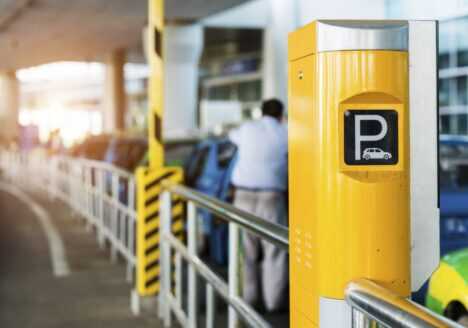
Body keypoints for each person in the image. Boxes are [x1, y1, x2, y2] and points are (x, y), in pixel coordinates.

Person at [229, 99, 288, 312]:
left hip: (243, 196)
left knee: (246, 252)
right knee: (275, 251)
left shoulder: (247, 128)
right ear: (281, 115)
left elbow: (231, 137)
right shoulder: (285, 132)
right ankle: (273, 303)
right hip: (271, 197)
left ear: (261, 112)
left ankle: (248, 299)